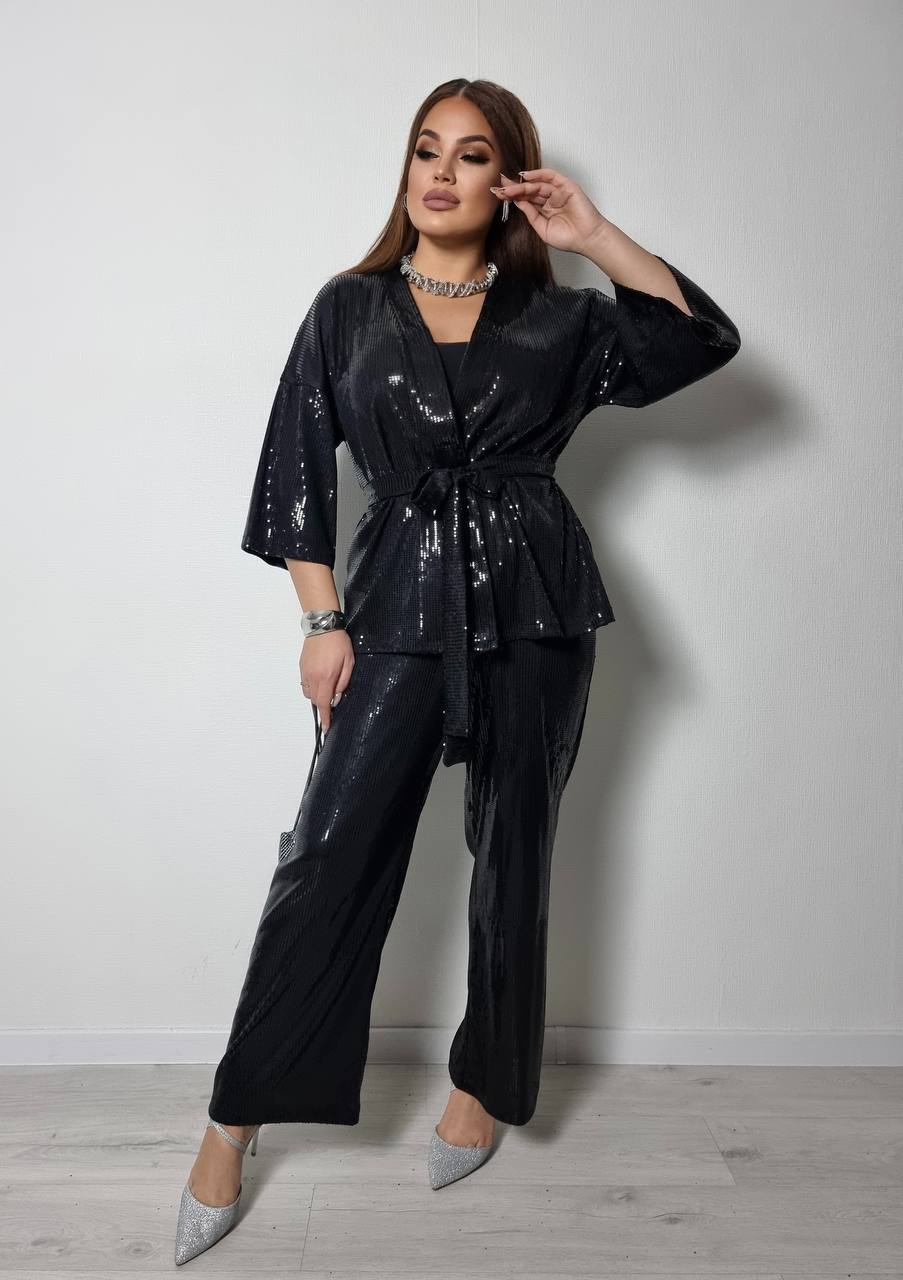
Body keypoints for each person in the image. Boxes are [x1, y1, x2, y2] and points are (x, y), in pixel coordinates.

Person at [175, 77, 741, 1264]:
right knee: (326, 856)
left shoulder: (561, 318)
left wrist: (592, 234)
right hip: (390, 606)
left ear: (508, 179)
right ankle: (235, 1114)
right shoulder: (348, 308)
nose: (441, 172)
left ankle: (482, 1083)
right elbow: (295, 472)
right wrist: (320, 620)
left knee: (514, 847)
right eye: (426, 149)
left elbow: (700, 340)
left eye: (472, 154)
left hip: (537, 605)